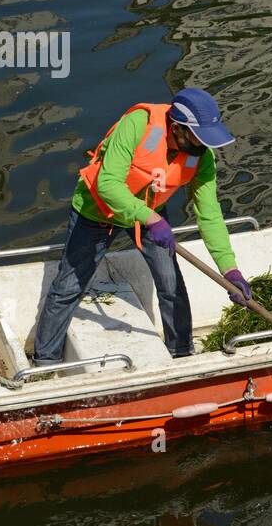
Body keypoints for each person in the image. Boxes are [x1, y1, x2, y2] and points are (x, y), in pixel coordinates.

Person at [30, 88, 251, 364]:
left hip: (150, 212)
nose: (202, 146)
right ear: (176, 128)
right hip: (97, 211)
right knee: (68, 286)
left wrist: (229, 270)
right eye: (197, 137)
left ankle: (181, 353)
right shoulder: (138, 125)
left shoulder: (202, 156)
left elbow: (210, 214)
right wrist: (152, 218)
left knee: (171, 283)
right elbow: (108, 184)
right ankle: (45, 362)